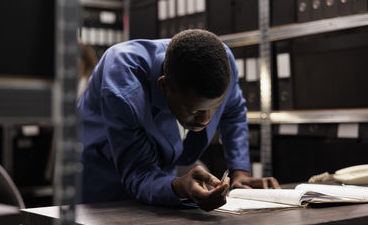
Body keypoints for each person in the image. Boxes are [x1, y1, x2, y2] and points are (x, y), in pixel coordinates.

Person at [78, 29, 280, 211]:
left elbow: (234, 112)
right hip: (103, 173)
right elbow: (139, 173)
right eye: (194, 110)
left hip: (156, 169)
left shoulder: (221, 60)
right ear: (164, 86)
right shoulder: (123, 86)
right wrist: (178, 187)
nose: (206, 120)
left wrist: (240, 172)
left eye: (214, 107)